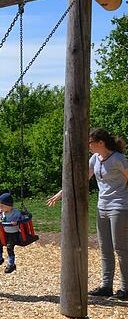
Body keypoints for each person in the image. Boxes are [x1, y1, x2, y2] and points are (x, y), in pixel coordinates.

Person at [47, 127, 128, 300]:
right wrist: (60, 194)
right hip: (102, 207)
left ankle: (125, 288)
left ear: (101, 143)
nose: (88, 146)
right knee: (105, 248)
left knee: (120, 248)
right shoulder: (95, 159)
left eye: (90, 143)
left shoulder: (119, 159)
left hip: (120, 207)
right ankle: (106, 286)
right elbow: (81, 179)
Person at [0, 192, 22, 274]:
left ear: (9, 206)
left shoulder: (15, 212)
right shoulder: (2, 212)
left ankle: (11, 264)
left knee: (9, 247)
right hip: (5, 233)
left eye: (2, 206)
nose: (0, 208)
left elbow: (20, 216)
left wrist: (16, 221)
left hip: (13, 234)